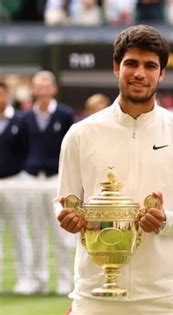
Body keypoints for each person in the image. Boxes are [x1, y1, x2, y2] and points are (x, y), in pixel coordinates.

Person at [56, 24, 173, 314]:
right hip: (95, 297)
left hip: (163, 299)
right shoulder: (80, 134)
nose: (140, 73)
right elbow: (64, 201)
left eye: (150, 65)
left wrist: (165, 221)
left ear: (162, 73)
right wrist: (66, 217)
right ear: (117, 68)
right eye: (131, 63)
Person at [21, 70, 75, 295]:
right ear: (34, 90)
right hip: (32, 180)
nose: (42, 90)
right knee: (37, 233)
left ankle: (65, 281)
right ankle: (37, 280)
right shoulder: (25, 117)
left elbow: (70, 148)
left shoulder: (65, 114)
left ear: (53, 89)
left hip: (56, 179)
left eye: (46, 86)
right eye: (38, 86)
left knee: (62, 234)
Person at [0, 82, 34, 294]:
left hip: (15, 181)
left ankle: (26, 279)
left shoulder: (21, 120)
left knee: (19, 231)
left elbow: (28, 149)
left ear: (7, 95)